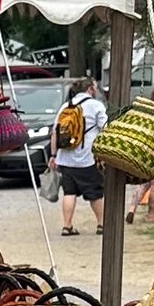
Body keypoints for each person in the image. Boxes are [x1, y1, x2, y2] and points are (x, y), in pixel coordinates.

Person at [52, 76, 106, 236]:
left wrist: (53, 155)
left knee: (69, 193)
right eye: (95, 87)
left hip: (66, 158)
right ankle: (102, 224)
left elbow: (55, 132)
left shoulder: (66, 107)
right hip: (87, 157)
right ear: (90, 89)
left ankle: (67, 225)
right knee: (95, 193)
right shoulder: (96, 106)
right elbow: (105, 127)